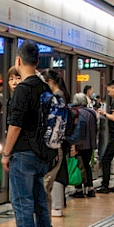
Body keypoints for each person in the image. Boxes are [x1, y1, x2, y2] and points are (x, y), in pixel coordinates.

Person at [0, 41, 53, 227]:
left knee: (22, 201)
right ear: (37, 62)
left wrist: (6, 153)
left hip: (23, 153)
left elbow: (15, 125)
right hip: (41, 152)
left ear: (18, 61)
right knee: (39, 201)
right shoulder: (45, 88)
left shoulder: (23, 89)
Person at [43, 70, 69, 218]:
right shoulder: (63, 95)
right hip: (60, 142)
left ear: (50, 82)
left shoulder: (57, 97)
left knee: (53, 177)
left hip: (55, 143)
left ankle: (57, 207)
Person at [96, 80, 114, 193]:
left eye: (109, 91)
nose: (109, 94)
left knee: (106, 159)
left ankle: (105, 185)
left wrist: (104, 113)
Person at [68, 93, 98, 198]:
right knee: (86, 165)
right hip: (90, 144)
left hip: (80, 144)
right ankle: (90, 189)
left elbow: (77, 130)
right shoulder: (92, 112)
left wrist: (73, 145)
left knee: (79, 166)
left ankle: (79, 190)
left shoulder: (76, 112)